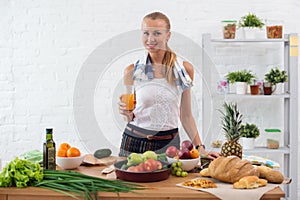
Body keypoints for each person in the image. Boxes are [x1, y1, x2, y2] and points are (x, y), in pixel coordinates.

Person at [118, 11, 220, 160]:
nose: (150, 39)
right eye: (146, 33)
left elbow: (186, 116)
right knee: (129, 183)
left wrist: (200, 148)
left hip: (168, 145)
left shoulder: (183, 70)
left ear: (168, 35)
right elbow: (131, 115)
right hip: (133, 142)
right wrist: (126, 113)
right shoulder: (132, 71)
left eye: (157, 33)